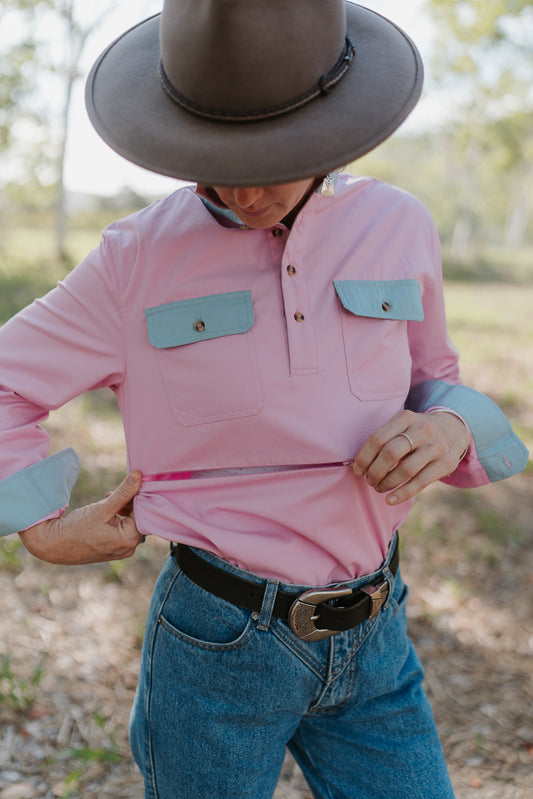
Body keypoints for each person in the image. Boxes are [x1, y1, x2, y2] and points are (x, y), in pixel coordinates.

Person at [0, 1, 528, 797]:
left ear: (329, 128)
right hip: (217, 646)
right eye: (216, 158)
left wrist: (453, 424)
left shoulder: (399, 225)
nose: (244, 191)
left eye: (271, 157)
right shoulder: (133, 259)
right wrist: (40, 526)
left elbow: (433, 379)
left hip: (376, 636)